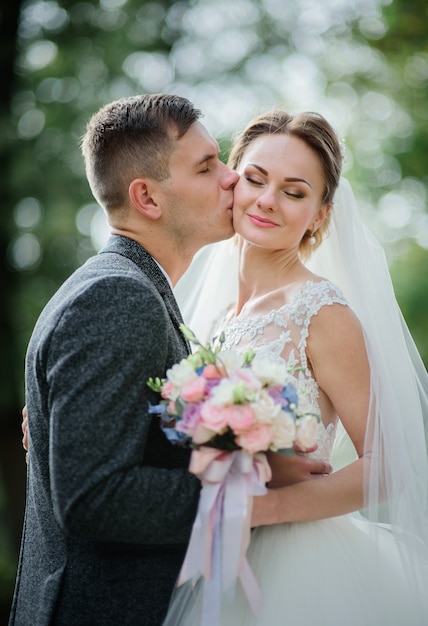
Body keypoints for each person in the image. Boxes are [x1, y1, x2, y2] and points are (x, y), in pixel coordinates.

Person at [10, 95, 331, 626]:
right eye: (207, 166)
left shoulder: (130, 290)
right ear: (148, 199)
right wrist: (256, 480)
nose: (233, 179)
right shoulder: (118, 297)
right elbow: (95, 497)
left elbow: (101, 460)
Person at [164, 110, 428, 625]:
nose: (266, 200)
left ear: (321, 214)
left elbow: (391, 466)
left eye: (294, 191)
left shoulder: (321, 312)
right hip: (203, 554)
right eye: (257, 180)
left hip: (298, 567)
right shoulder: (210, 314)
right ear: (231, 181)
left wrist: (263, 510)